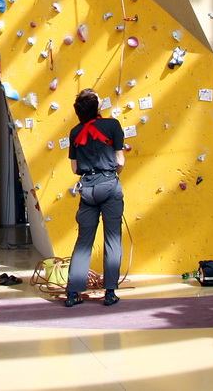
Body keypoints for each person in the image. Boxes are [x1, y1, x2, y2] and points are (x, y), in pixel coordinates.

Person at [63, 89, 124, 308]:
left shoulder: (74, 132)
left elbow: (74, 168)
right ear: (97, 106)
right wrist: (113, 174)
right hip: (109, 184)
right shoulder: (113, 125)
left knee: (83, 241)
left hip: (87, 188)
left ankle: (73, 293)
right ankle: (110, 292)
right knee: (112, 238)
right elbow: (120, 161)